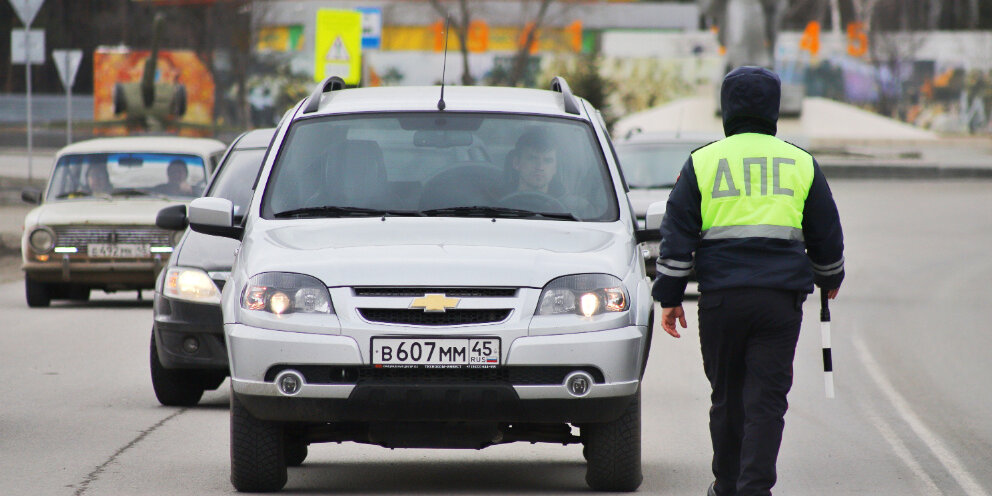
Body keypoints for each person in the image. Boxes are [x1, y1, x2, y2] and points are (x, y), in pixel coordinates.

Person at [652, 66, 844, 496]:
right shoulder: (800, 163)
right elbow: (826, 233)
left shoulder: (702, 162)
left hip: (722, 300)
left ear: (727, 108)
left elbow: (676, 233)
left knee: (727, 397)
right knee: (766, 401)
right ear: (774, 110)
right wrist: (830, 277)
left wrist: (669, 296)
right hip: (778, 304)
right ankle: (754, 488)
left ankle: (725, 485)